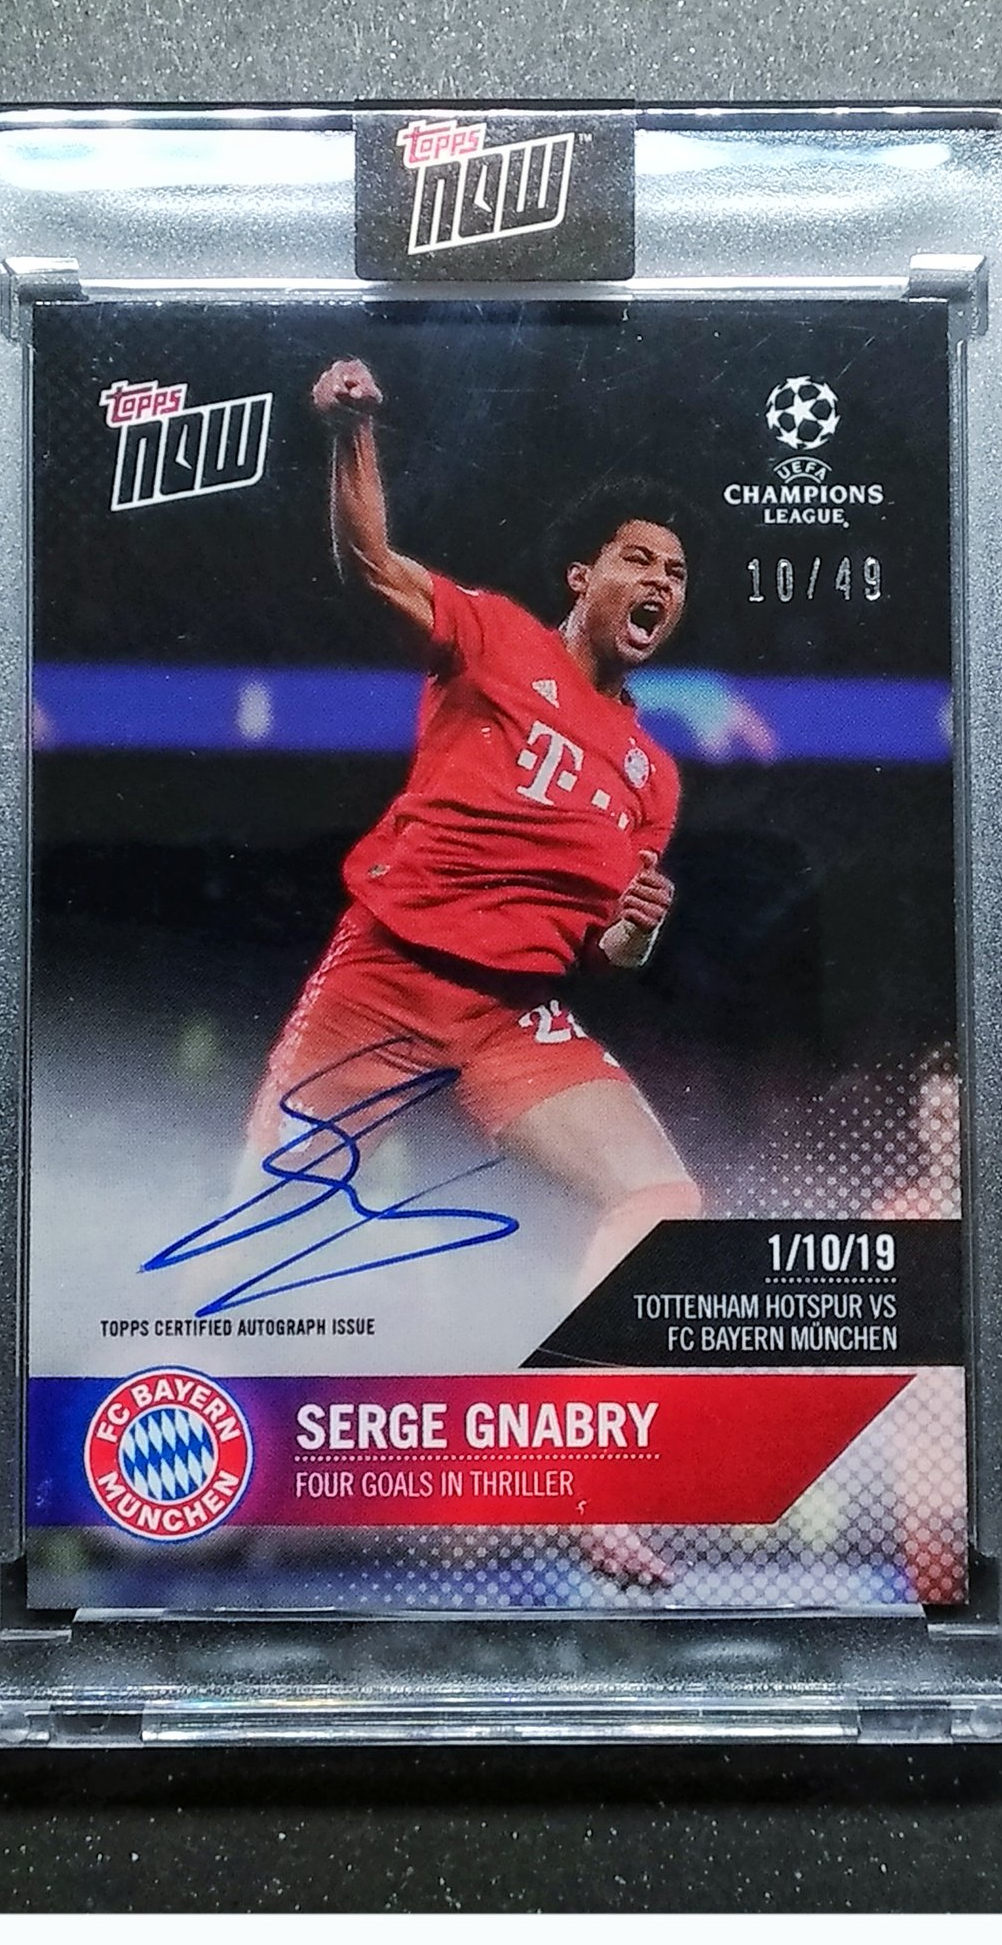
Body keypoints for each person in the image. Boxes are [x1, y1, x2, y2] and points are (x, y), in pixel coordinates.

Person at [248, 355, 703, 1328]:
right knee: (257, 1245)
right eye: (636, 560)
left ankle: (581, 1405)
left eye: (674, 573)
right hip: (385, 980)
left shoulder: (652, 776)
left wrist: (638, 932)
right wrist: (350, 434)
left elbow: (609, 953)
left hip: (508, 1016)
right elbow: (371, 564)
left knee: (662, 1202)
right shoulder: (496, 638)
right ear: (582, 578)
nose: (658, 581)